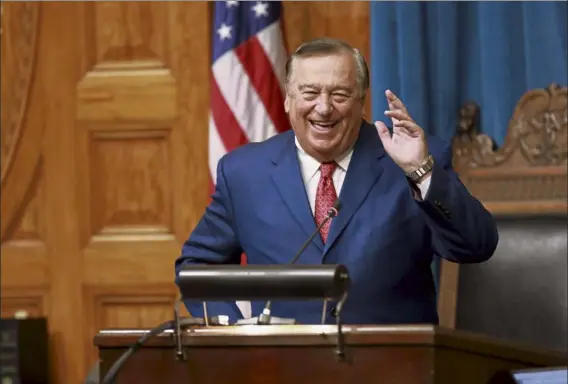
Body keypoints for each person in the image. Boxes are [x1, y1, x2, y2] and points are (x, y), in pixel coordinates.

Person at [175, 37, 499, 325]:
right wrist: (233, 329)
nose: (324, 107)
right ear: (288, 99)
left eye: (340, 94)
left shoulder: (412, 160)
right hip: (280, 367)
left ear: (361, 102)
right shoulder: (244, 172)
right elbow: (196, 266)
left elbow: (476, 245)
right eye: (310, 93)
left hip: (394, 365)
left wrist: (421, 171)